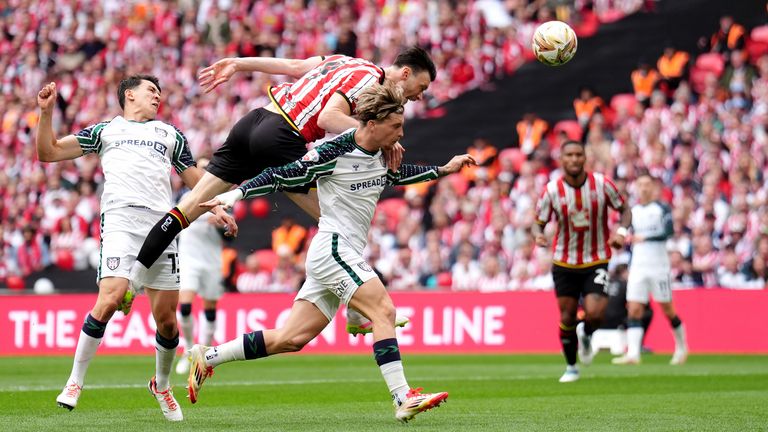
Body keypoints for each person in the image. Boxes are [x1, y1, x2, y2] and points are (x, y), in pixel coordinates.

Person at [186, 82, 474, 423]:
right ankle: (402, 396)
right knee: (383, 310)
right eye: (396, 126)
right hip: (333, 247)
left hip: (340, 252)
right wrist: (234, 196)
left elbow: (396, 176)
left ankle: (208, 356)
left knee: (290, 339)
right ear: (372, 123)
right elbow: (281, 174)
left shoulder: (383, 154)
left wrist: (443, 169)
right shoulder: (334, 151)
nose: (401, 133)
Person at [130, 46, 436, 334]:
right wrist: (382, 138)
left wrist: (238, 63)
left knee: (189, 208)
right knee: (340, 220)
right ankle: (356, 313)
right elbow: (328, 117)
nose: (419, 97)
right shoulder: (371, 81)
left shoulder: (347, 61)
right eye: (420, 88)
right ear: (405, 74)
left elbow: (294, 66)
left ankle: (132, 282)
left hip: (253, 121)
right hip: (281, 135)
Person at [37, 76, 231, 421]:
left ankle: (161, 384)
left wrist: (218, 207)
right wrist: (47, 112)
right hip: (121, 223)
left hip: (163, 228)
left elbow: (194, 182)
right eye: (150, 91)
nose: (158, 96)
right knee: (110, 297)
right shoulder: (104, 131)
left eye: (159, 92)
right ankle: (74, 382)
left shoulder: (171, 135)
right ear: (129, 95)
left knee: (167, 323)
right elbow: (48, 152)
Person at [532, 140, 631, 383]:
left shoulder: (602, 184)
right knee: (566, 317)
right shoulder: (552, 190)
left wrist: (620, 233)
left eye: (578, 154)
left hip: (596, 259)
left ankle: (586, 333)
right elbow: (539, 220)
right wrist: (539, 234)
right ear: (562, 159)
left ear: (584, 158)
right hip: (564, 263)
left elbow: (625, 210)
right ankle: (571, 367)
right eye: (570, 155)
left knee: (596, 314)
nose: (574, 159)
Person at [613, 173, 688, 365]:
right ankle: (633, 354)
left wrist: (644, 238)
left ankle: (681, 347)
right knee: (634, 309)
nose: (644, 188)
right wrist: (619, 238)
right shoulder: (633, 210)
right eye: (641, 185)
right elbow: (623, 228)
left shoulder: (661, 208)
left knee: (667, 309)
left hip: (659, 266)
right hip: (638, 266)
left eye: (647, 185)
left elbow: (668, 232)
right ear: (636, 188)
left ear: (654, 188)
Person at [174, 158, 227, 375]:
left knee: (210, 309)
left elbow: (231, 235)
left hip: (212, 259)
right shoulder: (186, 197)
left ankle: (203, 355)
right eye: (202, 168)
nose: (205, 172)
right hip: (189, 259)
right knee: (185, 306)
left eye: (209, 168)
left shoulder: (221, 200)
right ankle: (188, 349)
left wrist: (221, 224)